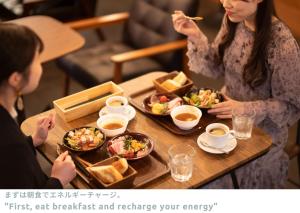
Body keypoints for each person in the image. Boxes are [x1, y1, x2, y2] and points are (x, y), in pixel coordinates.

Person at [172, 0, 300, 188]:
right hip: (225, 116)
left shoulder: (282, 43)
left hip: (262, 135)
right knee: (186, 161)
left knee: (206, 181)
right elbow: (216, 67)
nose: (225, 4)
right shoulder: (233, 19)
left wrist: (243, 108)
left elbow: (291, 106)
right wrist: (196, 36)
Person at [0, 23, 76, 188]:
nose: (40, 67)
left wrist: (32, 140)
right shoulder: (11, 146)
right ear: (15, 79)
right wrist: (58, 180)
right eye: (37, 61)